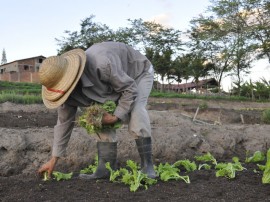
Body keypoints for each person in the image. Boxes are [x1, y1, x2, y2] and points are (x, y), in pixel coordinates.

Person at [37, 41, 156, 180]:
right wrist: (54, 159)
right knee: (97, 116)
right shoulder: (66, 94)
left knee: (136, 111)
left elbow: (130, 89)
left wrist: (116, 116)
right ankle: (106, 169)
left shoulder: (102, 64)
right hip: (114, 83)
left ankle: (148, 165)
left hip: (138, 74)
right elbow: (64, 123)